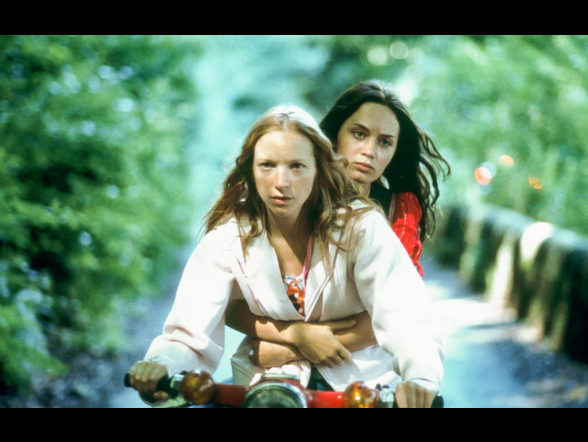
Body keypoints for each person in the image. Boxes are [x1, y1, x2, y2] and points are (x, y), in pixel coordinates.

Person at [128, 105, 443, 408]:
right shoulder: (228, 238)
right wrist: (161, 364)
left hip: (365, 390)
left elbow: (407, 315)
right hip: (265, 387)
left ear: (319, 170)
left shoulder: (360, 227)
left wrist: (420, 377)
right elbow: (187, 332)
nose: (281, 183)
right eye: (267, 165)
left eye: (296, 166)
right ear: (251, 170)